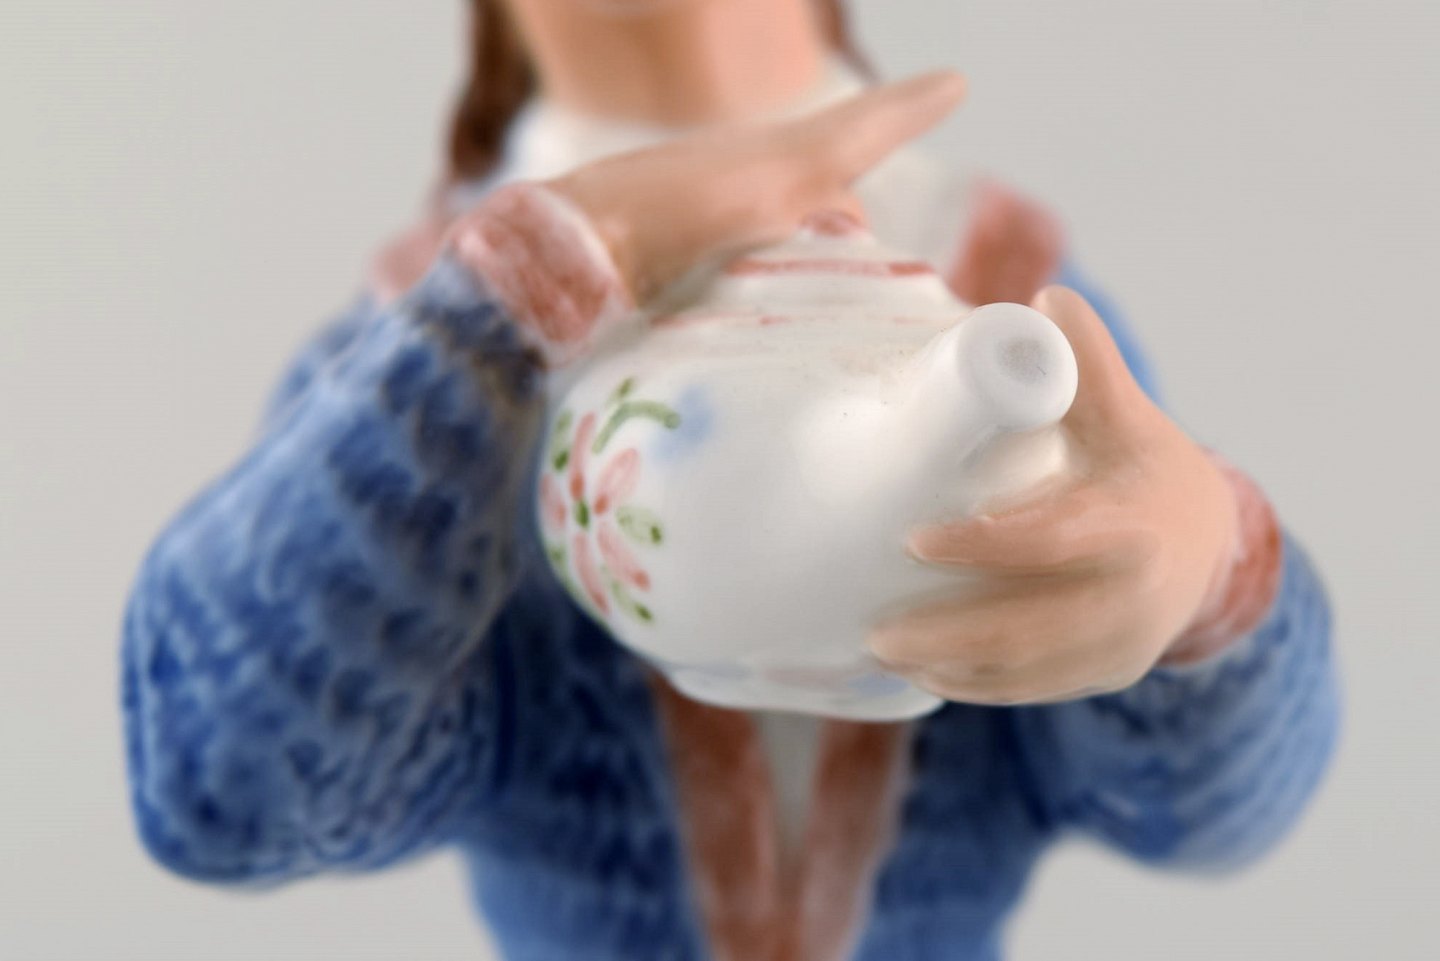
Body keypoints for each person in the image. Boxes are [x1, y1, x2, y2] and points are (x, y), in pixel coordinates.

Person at [120, 2, 1339, 959]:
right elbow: (221, 792)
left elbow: (1215, 815)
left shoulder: (1008, 285)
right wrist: (522, 288)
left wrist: (1212, 570)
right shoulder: (438, 332)